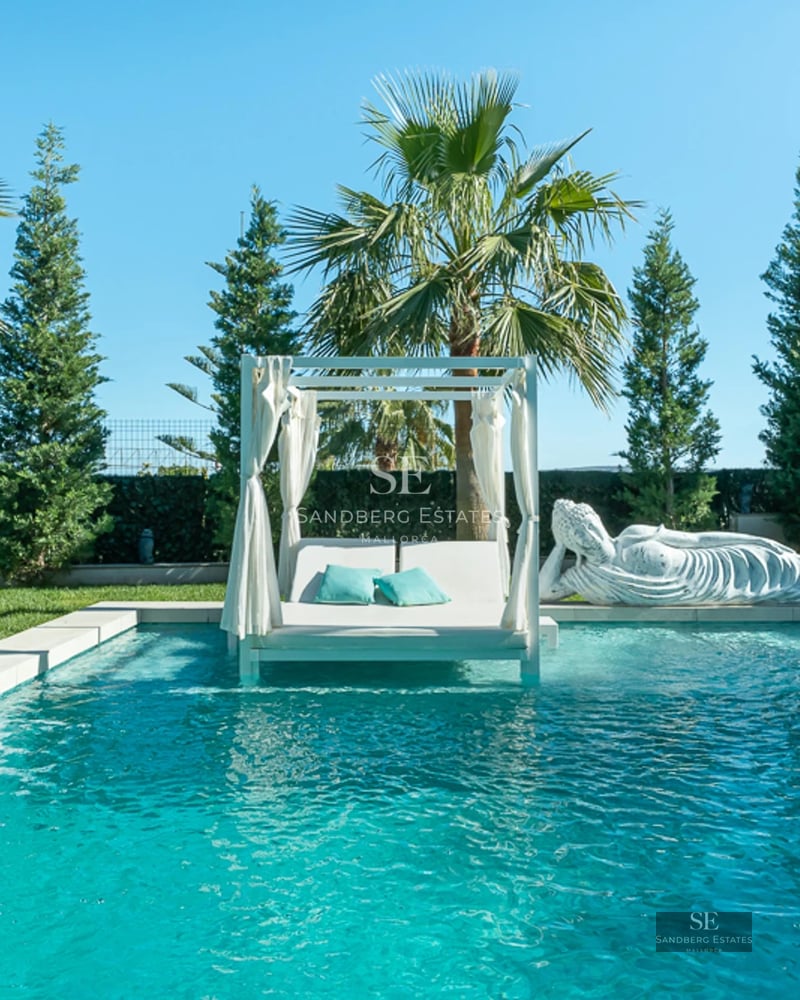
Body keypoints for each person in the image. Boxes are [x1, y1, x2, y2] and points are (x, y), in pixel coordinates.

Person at [539, 499, 800, 605]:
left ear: (597, 521)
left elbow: (697, 540)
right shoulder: (586, 576)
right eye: (576, 536)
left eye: (588, 527)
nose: (588, 537)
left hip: (716, 563)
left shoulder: (632, 535)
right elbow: (544, 593)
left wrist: (756, 541)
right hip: (708, 592)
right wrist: (559, 545)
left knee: (787, 565)